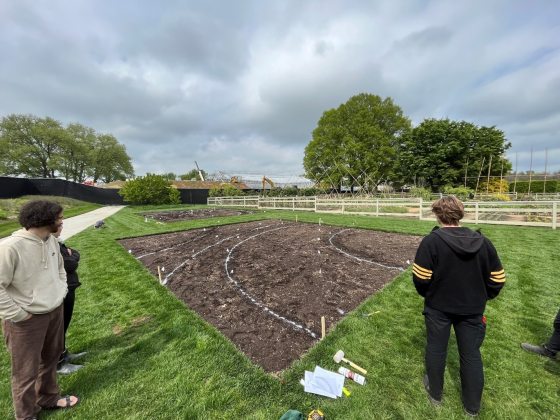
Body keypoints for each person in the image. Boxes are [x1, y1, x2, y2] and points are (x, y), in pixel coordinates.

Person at [412, 195, 505, 417]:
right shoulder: (484, 242)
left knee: (436, 349)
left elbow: (421, 279)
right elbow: (498, 279)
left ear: (436, 214)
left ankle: (435, 394)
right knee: (471, 354)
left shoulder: (431, 241)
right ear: (460, 214)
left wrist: (432, 295)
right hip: (472, 309)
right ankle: (471, 407)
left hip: (438, 308)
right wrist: (481, 297)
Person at [0, 200, 79, 419]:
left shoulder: (51, 241)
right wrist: (19, 314)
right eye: (60, 218)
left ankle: (48, 398)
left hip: (54, 311)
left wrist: (60, 292)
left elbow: (61, 270)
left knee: (50, 360)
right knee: (25, 371)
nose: (62, 222)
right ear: (45, 220)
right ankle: (26, 414)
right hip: (25, 321)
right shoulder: (10, 248)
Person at [53, 225, 87, 374]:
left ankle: (63, 354)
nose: (62, 226)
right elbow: (70, 263)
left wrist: (71, 254)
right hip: (60, 290)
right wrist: (71, 256)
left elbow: (74, 254)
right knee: (58, 329)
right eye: (59, 223)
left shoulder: (56, 241)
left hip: (68, 287)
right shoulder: (49, 243)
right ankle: (58, 364)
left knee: (63, 326)